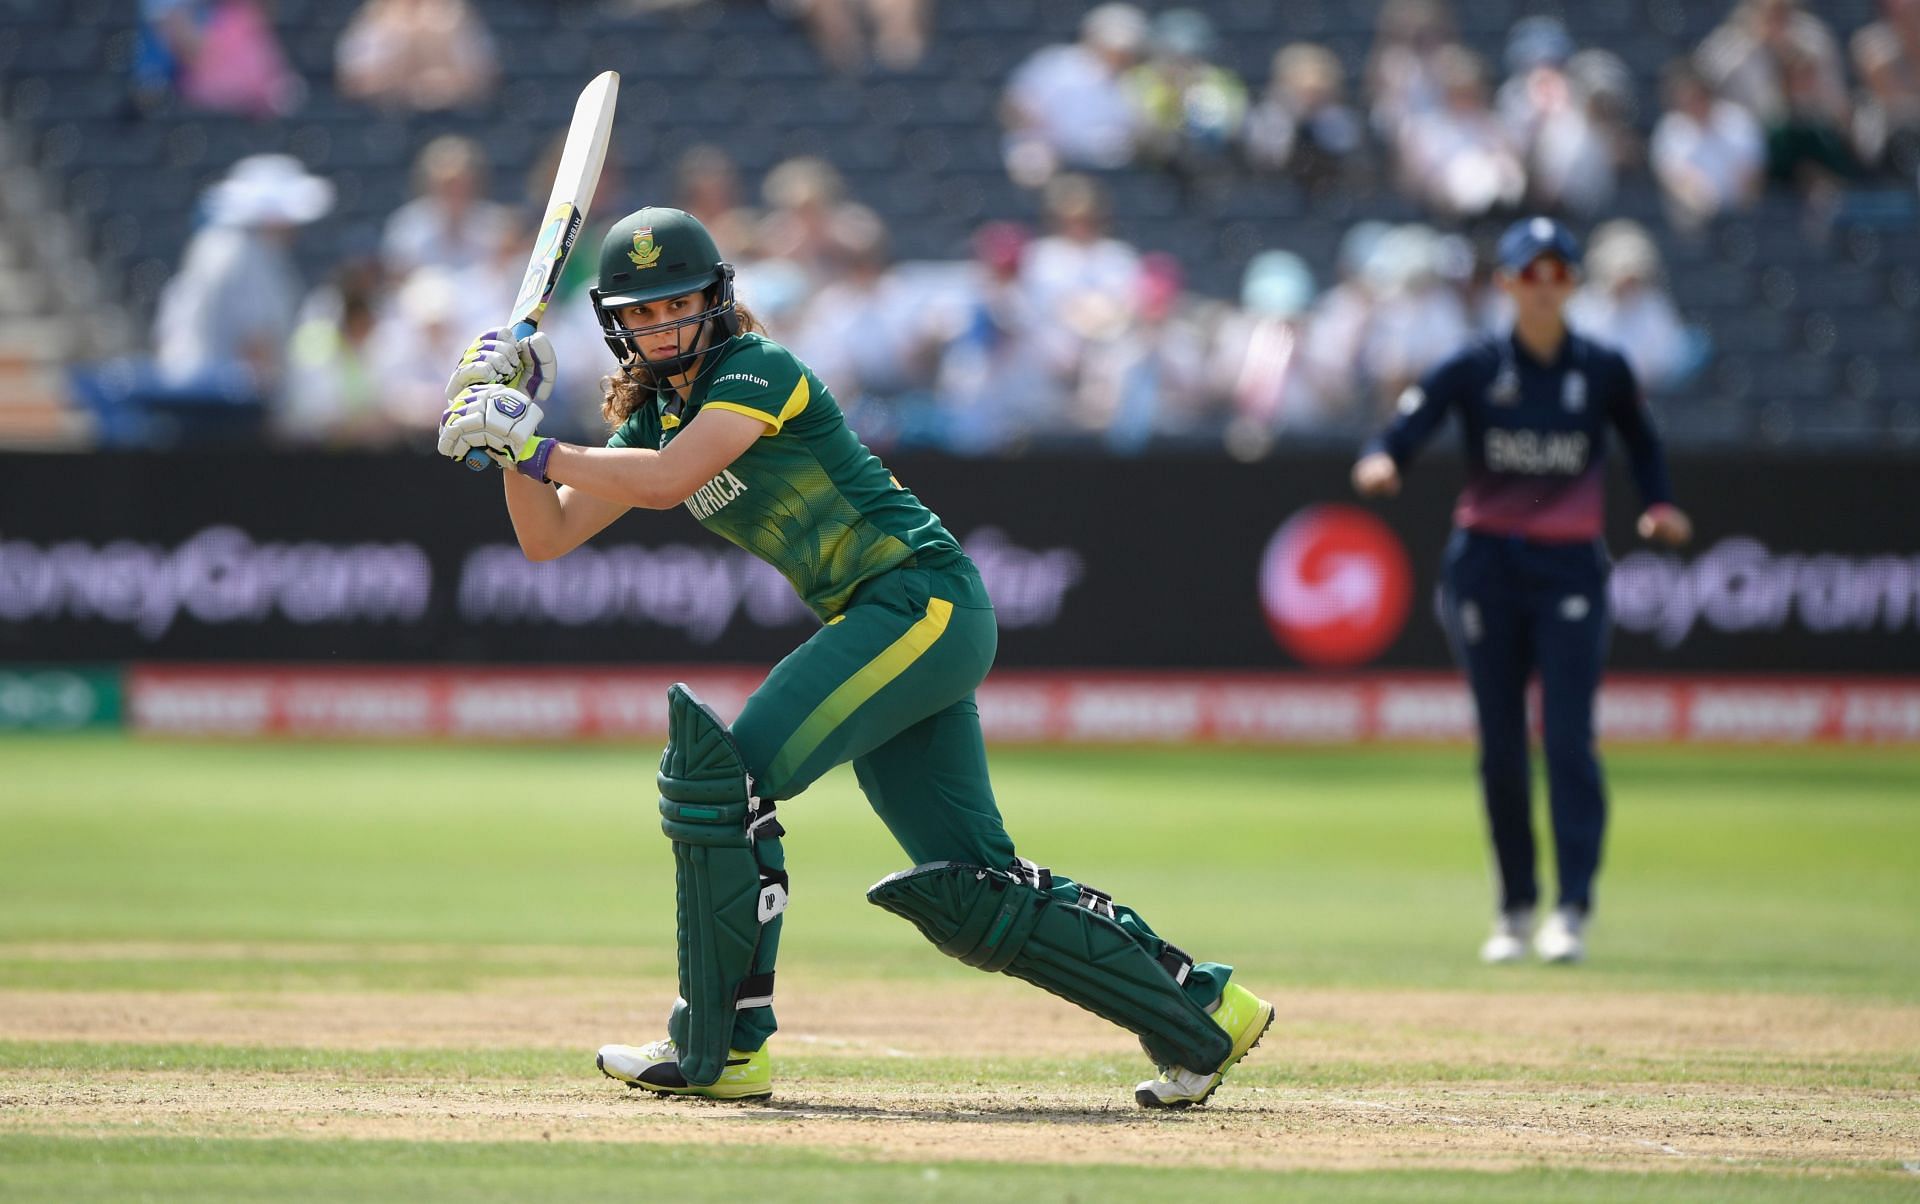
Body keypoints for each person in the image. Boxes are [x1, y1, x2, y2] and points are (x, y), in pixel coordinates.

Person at [434, 207, 1274, 1107]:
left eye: (676, 304)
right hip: (895, 622)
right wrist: (504, 446)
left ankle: (720, 1048)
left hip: (920, 600)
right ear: (616, 323)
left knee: (726, 784)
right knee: (973, 886)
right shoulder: (653, 418)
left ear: (717, 301)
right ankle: (1205, 1014)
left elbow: (671, 480)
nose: (661, 325)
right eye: (640, 314)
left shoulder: (760, 370)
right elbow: (552, 536)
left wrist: (537, 441)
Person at [1350, 217, 1693, 966]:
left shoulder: (1602, 368)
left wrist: (1659, 503)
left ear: (1572, 283)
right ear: (1505, 283)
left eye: (1555, 274)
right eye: (1526, 274)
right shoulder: (1475, 365)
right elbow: (1412, 419)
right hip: (1485, 568)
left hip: (1570, 567)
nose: (1541, 288)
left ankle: (1570, 907)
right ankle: (1515, 906)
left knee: (1568, 738)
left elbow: (1644, 444)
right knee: (1501, 746)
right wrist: (1384, 460)